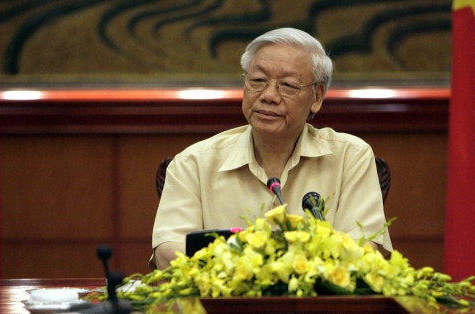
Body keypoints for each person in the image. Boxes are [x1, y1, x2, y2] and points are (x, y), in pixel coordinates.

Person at [151, 27, 392, 269]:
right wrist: (248, 273)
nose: (269, 95)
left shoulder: (350, 157)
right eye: (258, 81)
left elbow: (363, 251)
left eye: (287, 85)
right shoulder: (194, 163)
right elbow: (167, 250)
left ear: (317, 97)